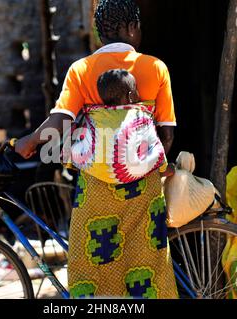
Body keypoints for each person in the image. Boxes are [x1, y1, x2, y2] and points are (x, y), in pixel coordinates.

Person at [12, 0, 178, 298]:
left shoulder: (81, 70)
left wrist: (30, 141)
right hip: (144, 190)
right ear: (130, 28)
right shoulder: (155, 68)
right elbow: (166, 132)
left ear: (100, 34)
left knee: (91, 264)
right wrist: (149, 167)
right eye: (138, 26)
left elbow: (61, 121)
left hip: (96, 190)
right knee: (147, 263)